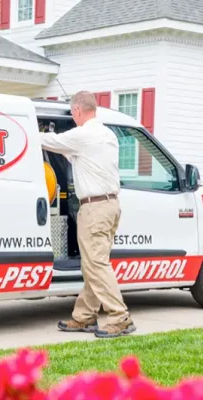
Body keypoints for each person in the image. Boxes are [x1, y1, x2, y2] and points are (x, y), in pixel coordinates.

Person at [39, 90, 136, 339]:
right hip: (110, 206)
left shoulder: (83, 134)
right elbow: (73, 154)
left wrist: (27, 130)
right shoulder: (106, 135)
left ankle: (119, 317)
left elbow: (50, 142)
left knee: (96, 264)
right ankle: (84, 317)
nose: (73, 117)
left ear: (77, 111)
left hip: (94, 208)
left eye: (73, 113)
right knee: (93, 263)